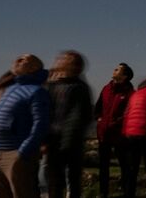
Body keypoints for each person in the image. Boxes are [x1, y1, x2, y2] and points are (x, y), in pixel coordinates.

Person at [0, 54, 50, 198]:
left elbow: (41, 124)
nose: (17, 60)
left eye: (24, 59)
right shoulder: (11, 88)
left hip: (15, 154)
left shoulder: (37, 92)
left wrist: (23, 151)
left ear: (34, 68)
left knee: (22, 193)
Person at [45, 50, 94, 198]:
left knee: (72, 180)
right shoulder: (52, 85)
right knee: (54, 181)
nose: (58, 61)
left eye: (63, 59)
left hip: (69, 142)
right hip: (53, 140)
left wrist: (66, 143)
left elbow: (77, 117)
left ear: (73, 66)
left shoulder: (79, 88)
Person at [94, 63, 135, 198]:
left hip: (120, 136)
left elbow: (129, 113)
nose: (114, 70)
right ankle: (103, 192)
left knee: (124, 165)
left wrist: (116, 123)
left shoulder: (130, 93)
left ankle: (126, 192)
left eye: (117, 69)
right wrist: (99, 119)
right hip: (104, 134)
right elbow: (98, 107)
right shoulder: (106, 89)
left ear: (124, 76)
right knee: (103, 166)